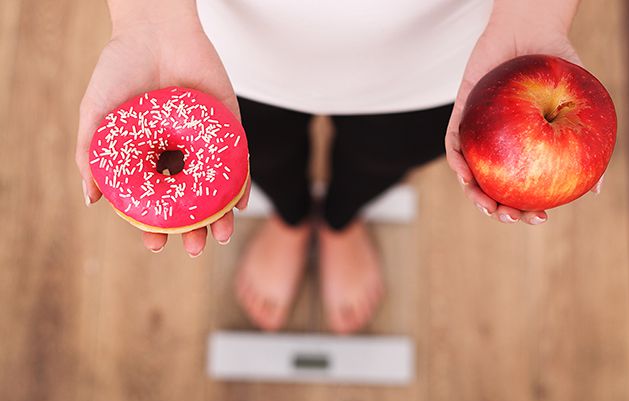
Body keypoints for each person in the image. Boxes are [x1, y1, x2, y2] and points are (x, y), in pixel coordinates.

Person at [75, 0, 601, 334]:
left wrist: (533, 14)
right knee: (261, 153)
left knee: (384, 155)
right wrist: (148, 16)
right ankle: (290, 214)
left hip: (447, 47)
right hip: (213, 39)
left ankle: (341, 218)